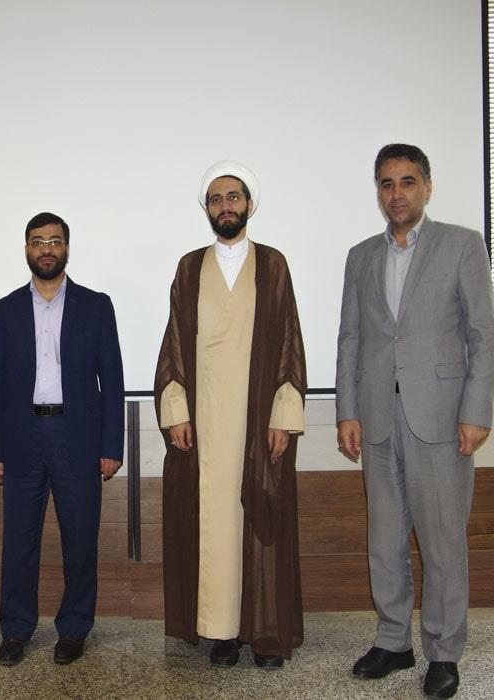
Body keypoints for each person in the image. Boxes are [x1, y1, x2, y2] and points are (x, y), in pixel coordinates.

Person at [336, 144, 494, 699]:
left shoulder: (462, 245)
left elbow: (482, 334)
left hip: (443, 419)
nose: (397, 193)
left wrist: (476, 411)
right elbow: (351, 338)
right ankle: (393, 641)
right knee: (385, 541)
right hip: (378, 418)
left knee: (442, 543)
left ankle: (444, 652)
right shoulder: (360, 256)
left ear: (427, 186)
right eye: (386, 183)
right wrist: (347, 410)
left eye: (407, 181)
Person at [154, 161, 307, 668]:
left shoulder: (273, 264)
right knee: (214, 525)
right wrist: (176, 410)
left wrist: (283, 414)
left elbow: (288, 341)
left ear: (249, 205)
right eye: (216, 199)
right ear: (207, 209)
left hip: (258, 421)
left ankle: (263, 632)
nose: (226, 206)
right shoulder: (189, 267)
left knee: (260, 522)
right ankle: (221, 632)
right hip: (205, 422)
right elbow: (174, 344)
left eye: (234, 197)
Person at [0, 211, 124, 667]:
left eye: (55, 241)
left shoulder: (96, 306)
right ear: (27, 249)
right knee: (18, 542)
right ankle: (16, 630)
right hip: (21, 438)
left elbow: (113, 382)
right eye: (38, 241)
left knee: (80, 539)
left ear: (67, 248)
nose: (47, 249)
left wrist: (111, 446)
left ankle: (75, 627)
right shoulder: (4, 310)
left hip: (77, 438)